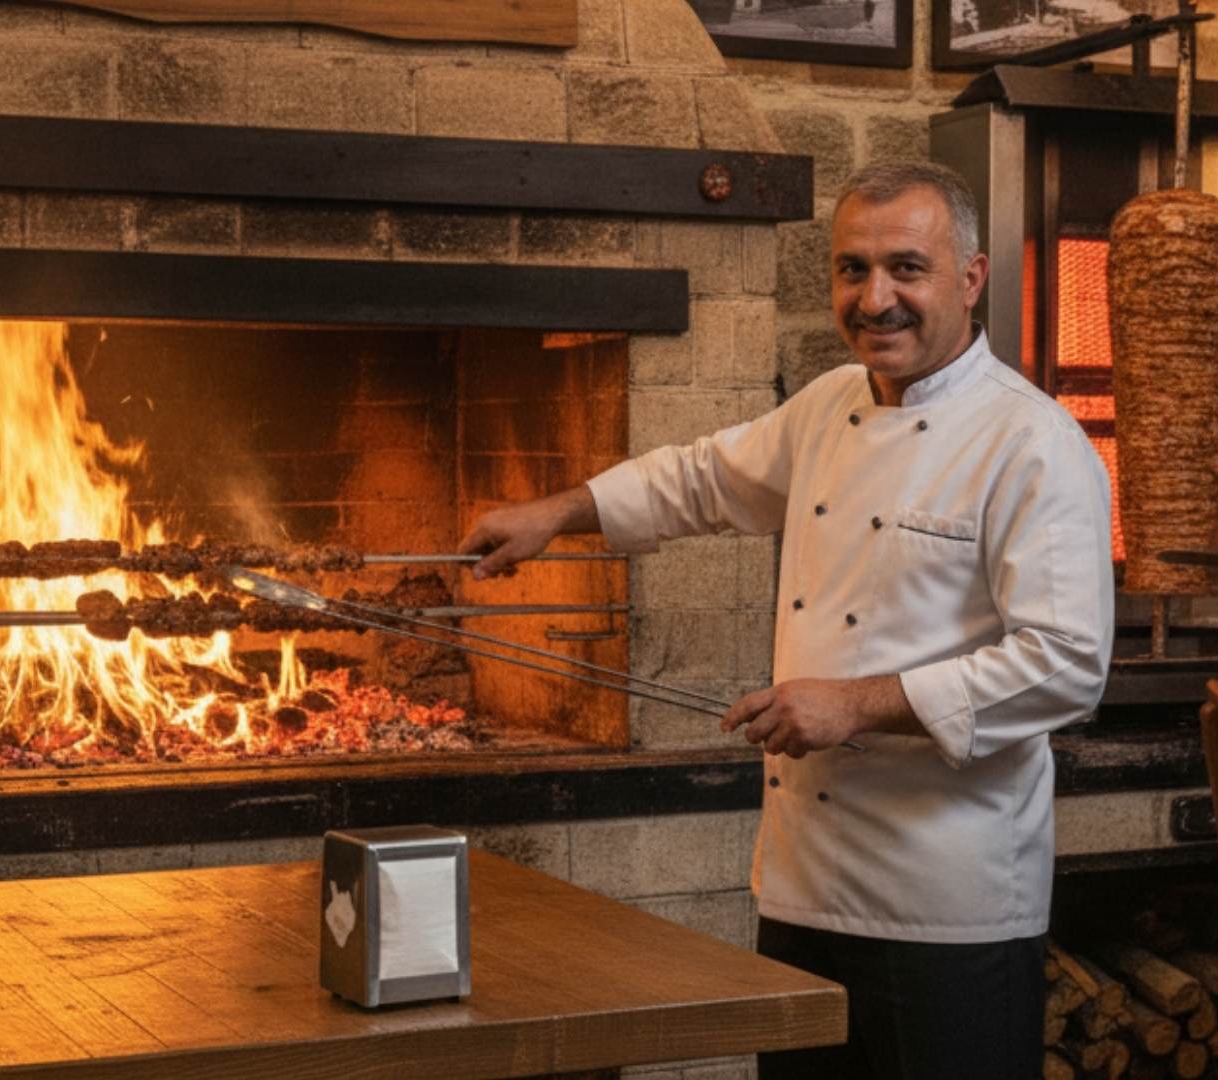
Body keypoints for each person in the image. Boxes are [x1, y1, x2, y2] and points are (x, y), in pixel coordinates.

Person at [460, 161, 1115, 1079]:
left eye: (906, 269)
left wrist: (855, 705)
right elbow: (701, 479)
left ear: (970, 279)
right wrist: (554, 514)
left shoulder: (1032, 443)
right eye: (853, 269)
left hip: (947, 901)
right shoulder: (827, 404)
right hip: (803, 888)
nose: (875, 298)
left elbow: (1066, 665)